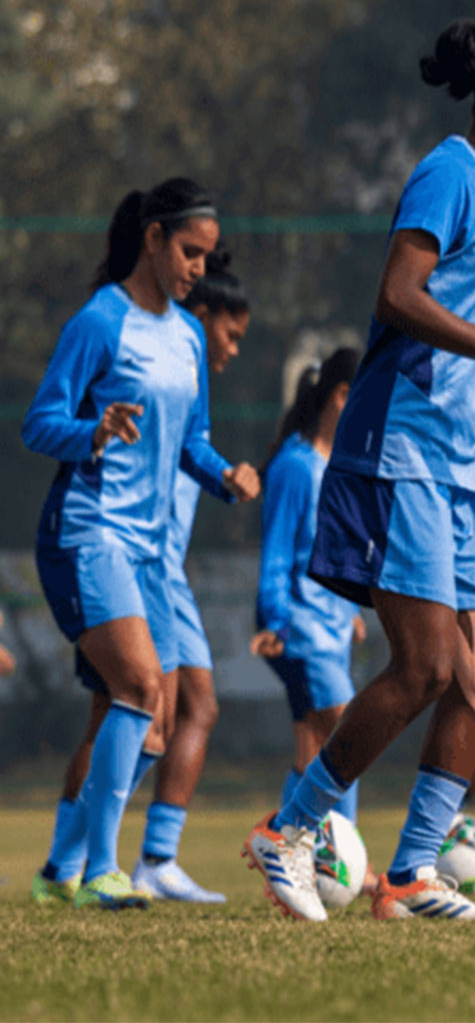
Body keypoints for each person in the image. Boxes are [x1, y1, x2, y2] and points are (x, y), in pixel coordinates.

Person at [242, 19, 475, 924]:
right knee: (427, 666)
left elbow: (438, 329)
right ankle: (289, 830)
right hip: (398, 456)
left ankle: (409, 876)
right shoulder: (447, 173)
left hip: (451, 459)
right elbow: (397, 297)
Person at [26, 178, 260, 910]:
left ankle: (56, 872)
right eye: (189, 251)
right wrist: (91, 432)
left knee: (144, 720)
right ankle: (102, 871)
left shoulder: (188, 335)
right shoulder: (100, 323)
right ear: (153, 239)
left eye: (207, 255)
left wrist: (227, 476)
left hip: (152, 553)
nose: (198, 267)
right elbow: (40, 422)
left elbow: (192, 439)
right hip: (89, 533)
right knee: (139, 689)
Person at [130, 250, 254, 902]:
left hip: (167, 570)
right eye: (230, 334)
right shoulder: (165, 360)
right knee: (146, 716)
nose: (232, 349)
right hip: (141, 558)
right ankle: (78, 857)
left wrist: (226, 478)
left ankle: (154, 859)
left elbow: (192, 450)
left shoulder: (188, 377)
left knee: (190, 709)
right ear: (200, 316)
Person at [251, 349, 366, 836]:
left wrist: (351, 608)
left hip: (332, 628)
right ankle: (340, 855)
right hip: (300, 626)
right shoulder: (295, 466)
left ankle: (290, 849)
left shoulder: (334, 465)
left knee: (315, 750)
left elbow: (331, 554)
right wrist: (274, 619)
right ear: (341, 397)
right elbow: (278, 550)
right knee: (352, 734)